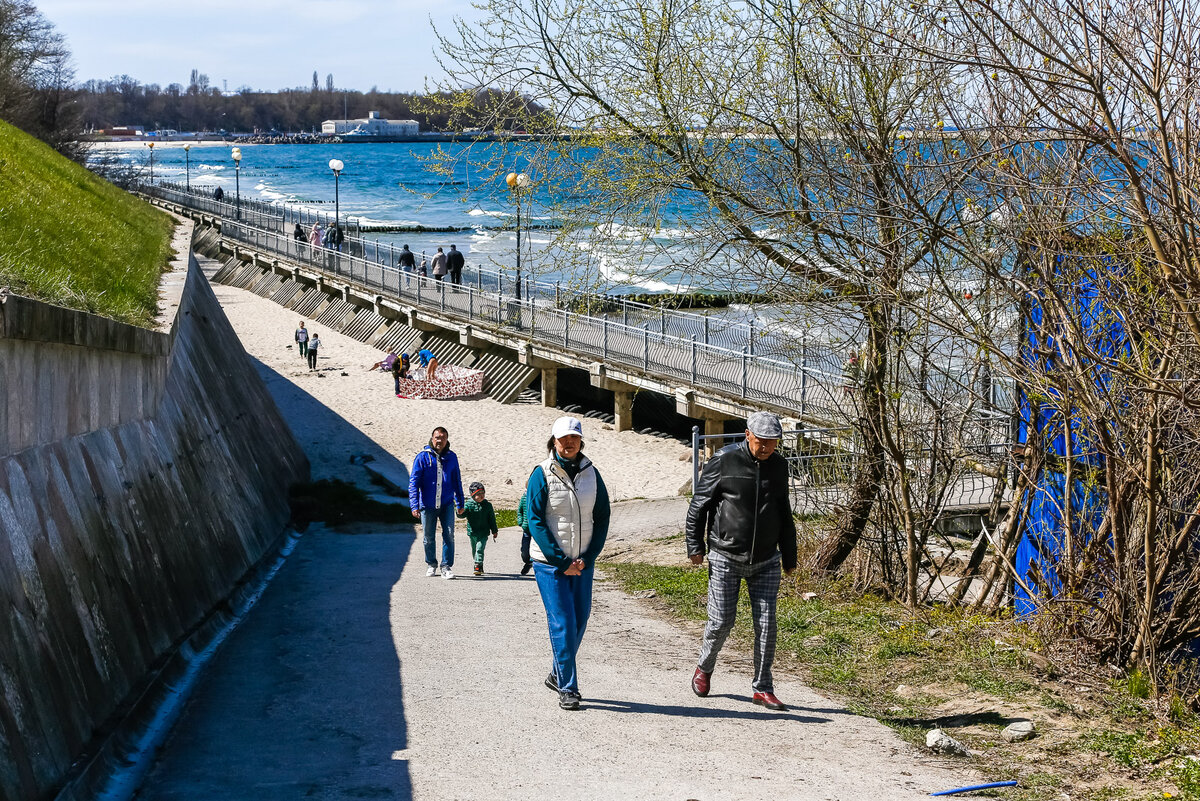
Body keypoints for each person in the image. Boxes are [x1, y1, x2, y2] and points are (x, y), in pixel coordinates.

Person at [685, 411, 797, 711]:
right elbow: (699, 505)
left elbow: (784, 511)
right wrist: (694, 545)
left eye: (773, 443)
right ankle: (704, 667)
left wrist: (790, 554)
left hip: (767, 558)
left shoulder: (779, 466)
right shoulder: (724, 460)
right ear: (748, 435)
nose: (767, 448)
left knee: (767, 624)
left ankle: (762, 688)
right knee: (722, 621)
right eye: (762, 442)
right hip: (725, 554)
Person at [526, 416, 611, 711]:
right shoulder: (541, 473)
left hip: (582, 562)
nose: (569, 442)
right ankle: (568, 688)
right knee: (562, 622)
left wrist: (587, 558)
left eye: (574, 437)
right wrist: (561, 561)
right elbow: (535, 521)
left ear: (581, 441)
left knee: (581, 617)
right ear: (554, 441)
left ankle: (556, 672)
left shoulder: (592, 473)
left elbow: (601, 518)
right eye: (563, 439)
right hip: (550, 564)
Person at [409, 427, 465, 579]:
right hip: (427, 505)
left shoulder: (452, 457)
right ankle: (431, 564)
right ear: (432, 438)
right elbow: (414, 483)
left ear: (447, 440)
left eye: (442, 438)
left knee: (449, 535)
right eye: (437, 437)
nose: (439, 440)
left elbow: (456, 481)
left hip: (447, 503)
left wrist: (460, 502)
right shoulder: (422, 457)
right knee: (428, 536)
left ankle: (446, 566)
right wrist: (414, 505)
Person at [459, 481, 498, 576]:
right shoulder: (469, 504)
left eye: (482, 493)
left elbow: (492, 519)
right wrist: (459, 511)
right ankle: (479, 564)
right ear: (473, 495)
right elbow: (462, 515)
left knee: (480, 549)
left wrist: (494, 530)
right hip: (472, 532)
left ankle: (477, 564)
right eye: (478, 494)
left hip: (484, 532)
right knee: (474, 550)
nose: (481, 496)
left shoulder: (488, 505)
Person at [516, 489, 533, 575]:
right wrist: (520, 522)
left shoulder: (537, 496)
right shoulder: (524, 498)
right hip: (526, 529)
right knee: (525, 550)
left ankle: (532, 562)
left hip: (536, 529)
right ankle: (528, 562)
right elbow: (520, 511)